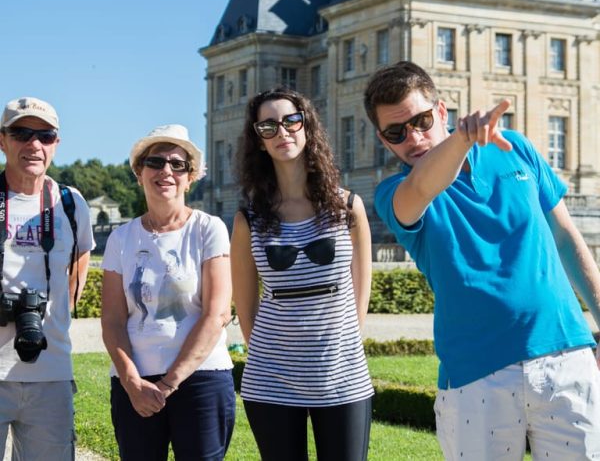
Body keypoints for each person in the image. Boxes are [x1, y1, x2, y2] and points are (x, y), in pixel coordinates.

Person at [364, 61, 600, 459]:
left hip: (565, 354)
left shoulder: (516, 149)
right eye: (396, 132)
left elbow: (566, 238)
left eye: (422, 120)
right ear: (382, 139)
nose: (414, 137)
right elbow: (423, 185)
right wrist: (461, 140)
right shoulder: (393, 193)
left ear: (441, 111)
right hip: (476, 376)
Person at [231, 87, 374, 461]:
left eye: (291, 121)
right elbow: (246, 306)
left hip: (342, 374)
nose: (282, 132)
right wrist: (270, 354)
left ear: (307, 126)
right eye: (268, 127)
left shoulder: (348, 207)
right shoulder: (250, 218)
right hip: (271, 377)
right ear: (259, 141)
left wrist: (342, 347)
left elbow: (361, 292)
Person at [101, 124, 235, 461]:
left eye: (178, 165)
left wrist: (167, 385)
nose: (166, 171)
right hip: (135, 382)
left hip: (202, 378)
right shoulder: (121, 239)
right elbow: (113, 320)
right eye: (156, 162)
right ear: (139, 173)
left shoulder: (208, 228)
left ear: (191, 177)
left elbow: (217, 314)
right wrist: (132, 382)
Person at [0, 97, 95, 460]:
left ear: (56, 142)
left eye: (46, 135)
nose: (34, 144)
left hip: (51, 372)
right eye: (22, 133)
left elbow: (81, 255)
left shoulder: (70, 203)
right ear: (2, 140)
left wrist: (56, 311)